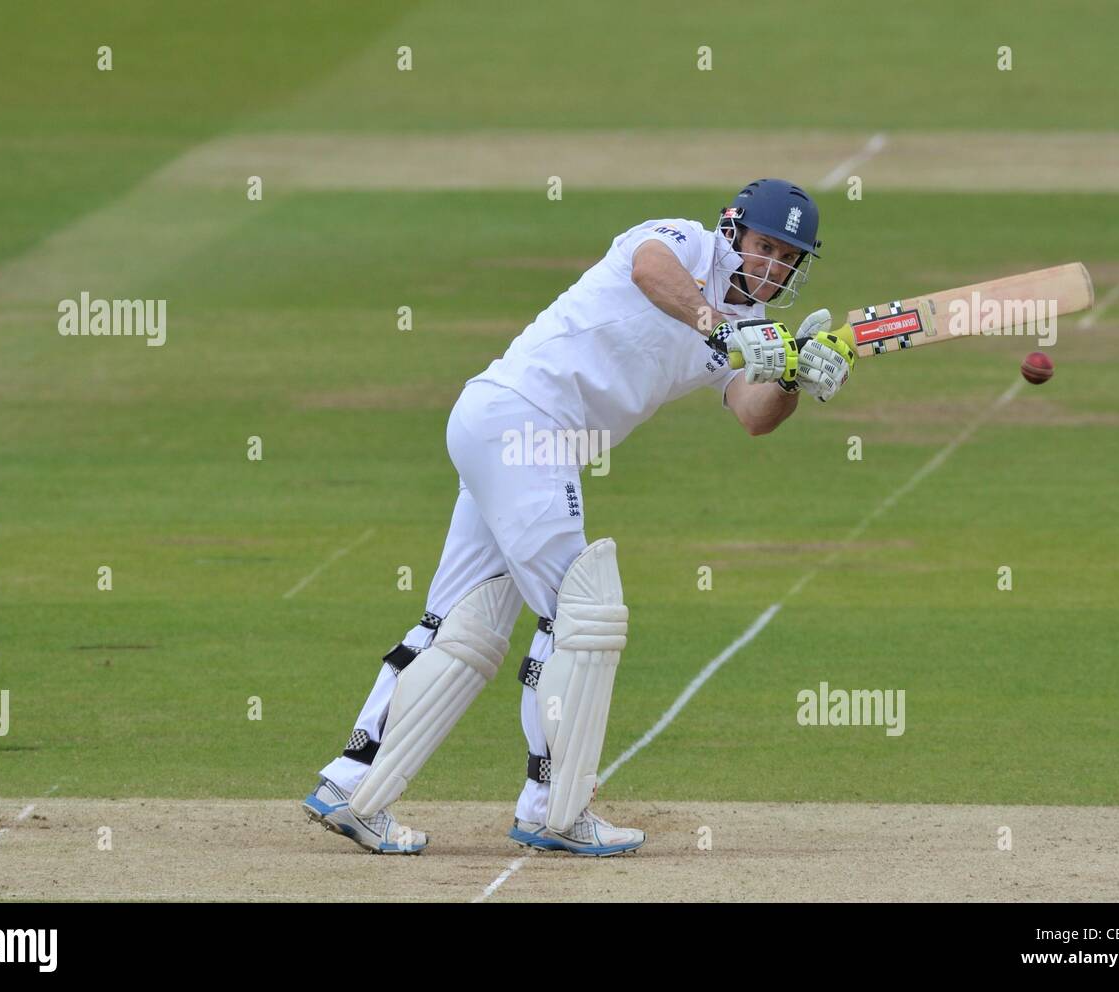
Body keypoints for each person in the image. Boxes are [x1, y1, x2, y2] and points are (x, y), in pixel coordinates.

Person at [302, 179, 856, 856]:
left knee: (459, 622)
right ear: (733, 231)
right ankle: (554, 808)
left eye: (788, 257)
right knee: (581, 614)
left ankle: (350, 780)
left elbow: (753, 414)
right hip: (526, 424)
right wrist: (728, 327)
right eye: (765, 246)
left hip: (510, 435)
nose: (772, 266)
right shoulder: (685, 243)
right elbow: (648, 270)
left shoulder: (745, 332)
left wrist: (792, 377)